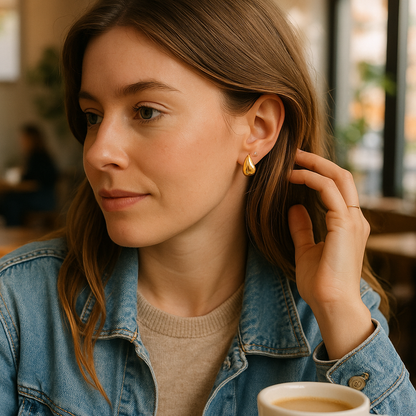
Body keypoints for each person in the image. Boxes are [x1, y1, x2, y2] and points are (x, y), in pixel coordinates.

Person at [0, 0, 415, 414]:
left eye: (146, 112)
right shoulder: (17, 305)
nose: (98, 153)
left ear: (257, 128)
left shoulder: (332, 313)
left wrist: (340, 311)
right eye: (92, 116)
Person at [0, 123, 58, 226]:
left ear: (32, 139)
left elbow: (35, 184)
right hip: (43, 198)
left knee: (11, 202)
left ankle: (14, 230)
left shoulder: (38, 157)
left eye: (23, 139)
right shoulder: (36, 157)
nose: (21, 142)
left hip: (42, 199)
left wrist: (12, 187)